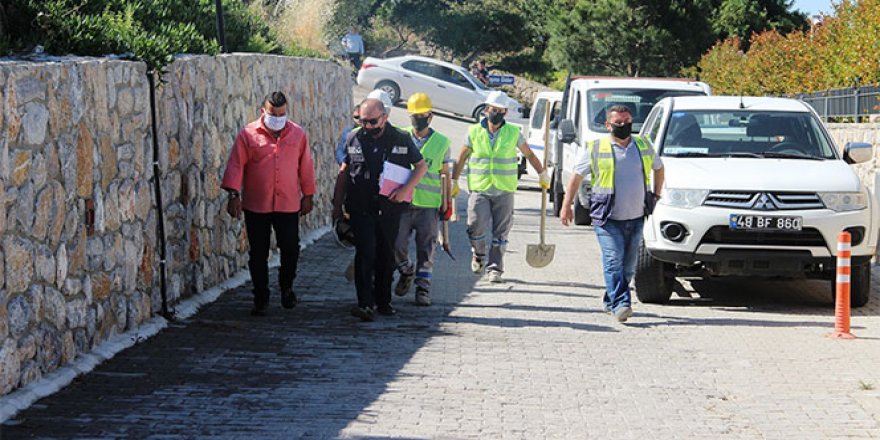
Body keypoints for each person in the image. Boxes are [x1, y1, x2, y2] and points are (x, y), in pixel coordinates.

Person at [560, 104, 664, 323]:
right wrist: (566, 204)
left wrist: (656, 194)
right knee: (613, 260)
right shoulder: (596, 148)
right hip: (607, 218)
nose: (624, 126)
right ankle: (622, 304)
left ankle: (610, 300)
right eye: (619, 123)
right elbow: (576, 177)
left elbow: (659, 167)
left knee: (627, 268)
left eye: (628, 122)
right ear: (608, 125)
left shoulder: (643, 145)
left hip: (636, 217)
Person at [333, 98, 428, 321]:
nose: (367, 126)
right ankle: (365, 303)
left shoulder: (401, 138)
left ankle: (383, 301)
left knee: (386, 255)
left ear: (384, 118)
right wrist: (337, 206)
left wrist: (406, 189)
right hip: (361, 207)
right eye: (362, 121)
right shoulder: (353, 137)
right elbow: (344, 172)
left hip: (389, 208)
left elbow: (421, 167)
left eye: (372, 121)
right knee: (365, 252)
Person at [221, 91, 316, 317]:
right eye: (274, 114)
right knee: (258, 253)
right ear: (263, 111)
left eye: (282, 114)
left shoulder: (298, 134)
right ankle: (260, 296)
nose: (278, 118)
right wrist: (233, 194)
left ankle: (286, 287)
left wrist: (309, 195)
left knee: (291, 248)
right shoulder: (248, 134)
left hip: (288, 203)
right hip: (257, 205)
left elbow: (306, 166)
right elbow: (236, 165)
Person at [450, 90, 549, 283]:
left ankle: (495, 268)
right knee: (475, 226)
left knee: (501, 232)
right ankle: (478, 255)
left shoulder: (513, 132)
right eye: (494, 110)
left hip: (504, 189)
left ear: (505, 113)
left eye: (501, 111)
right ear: (486, 110)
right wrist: (454, 180)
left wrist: (542, 172)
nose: (497, 114)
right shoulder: (473, 131)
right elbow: (462, 157)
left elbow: (528, 154)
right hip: (480, 188)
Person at [392, 93, 451, 306]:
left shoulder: (442, 142)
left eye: (422, 115)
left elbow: (445, 175)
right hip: (403, 203)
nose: (418, 119)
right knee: (397, 243)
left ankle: (423, 289)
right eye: (414, 115)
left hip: (428, 205)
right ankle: (406, 270)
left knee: (426, 249)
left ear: (430, 116)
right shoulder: (401, 137)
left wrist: (448, 203)